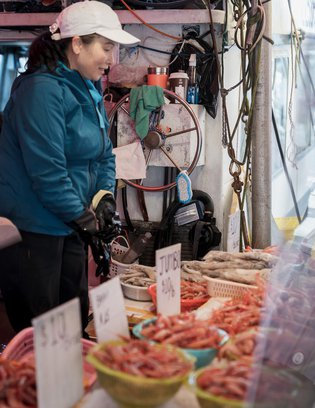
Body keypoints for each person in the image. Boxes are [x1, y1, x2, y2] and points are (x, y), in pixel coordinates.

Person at [0, 0, 140, 334]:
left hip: (69, 226)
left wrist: (104, 199)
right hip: (34, 233)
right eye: (106, 48)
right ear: (77, 44)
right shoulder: (41, 90)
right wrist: (86, 220)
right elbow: (48, 174)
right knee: (44, 339)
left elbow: (104, 154)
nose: (110, 59)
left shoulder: (87, 86)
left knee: (72, 327)